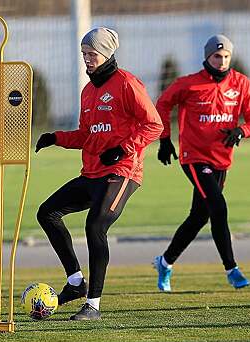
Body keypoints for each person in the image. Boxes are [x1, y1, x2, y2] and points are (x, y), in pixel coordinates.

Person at [35, 27, 163, 320]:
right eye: (84, 54)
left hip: (122, 171)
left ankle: (93, 305)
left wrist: (123, 149)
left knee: (95, 227)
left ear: (106, 54)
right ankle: (75, 283)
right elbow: (86, 134)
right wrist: (56, 138)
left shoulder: (127, 84)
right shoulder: (88, 91)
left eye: (91, 54)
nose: (87, 60)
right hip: (92, 173)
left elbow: (153, 124)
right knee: (47, 213)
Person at [153, 34, 250, 292]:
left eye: (226, 56)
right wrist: (165, 139)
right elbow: (162, 104)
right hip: (194, 157)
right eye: (217, 56)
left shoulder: (241, 84)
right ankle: (232, 269)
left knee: (199, 217)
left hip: (221, 160)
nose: (222, 61)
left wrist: (242, 131)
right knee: (218, 207)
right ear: (207, 57)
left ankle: (165, 262)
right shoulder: (189, 84)